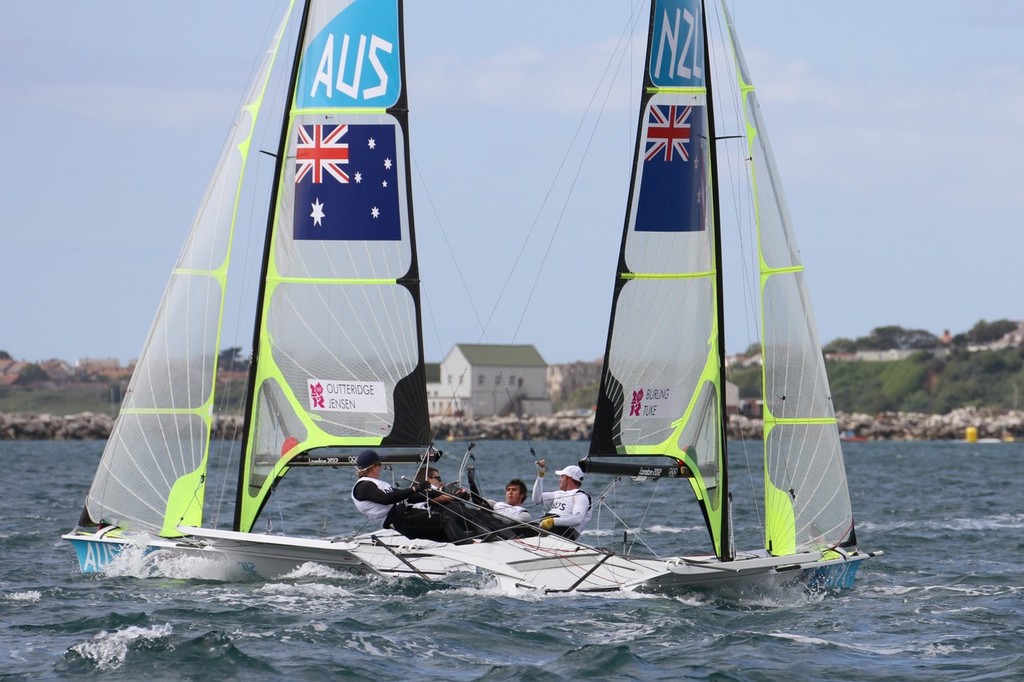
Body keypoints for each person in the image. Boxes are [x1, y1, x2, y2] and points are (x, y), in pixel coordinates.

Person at [350, 450, 473, 543]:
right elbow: (385, 499)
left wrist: (443, 493)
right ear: (373, 467)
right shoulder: (362, 486)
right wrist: (414, 488)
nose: (381, 467)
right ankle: (470, 546)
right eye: (379, 464)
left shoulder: (378, 484)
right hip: (398, 519)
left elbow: (409, 498)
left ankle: (468, 544)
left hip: (404, 516)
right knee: (445, 520)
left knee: (444, 531)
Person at [532, 460, 592, 540]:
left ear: (569, 479)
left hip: (565, 533)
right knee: (522, 527)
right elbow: (536, 499)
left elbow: (578, 519)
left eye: (562, 477)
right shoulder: (558, 493)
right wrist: (540, 475)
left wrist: (552, 521)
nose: (559, 480)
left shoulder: (581, 496)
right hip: (548, 528)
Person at [466, 468, 532, 523]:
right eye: (508, 490)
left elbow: (512, 524)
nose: (510, 492)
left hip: (504, 533)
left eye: (514, 490)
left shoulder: (523, 513)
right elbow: (478, 501)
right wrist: (472, 483)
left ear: (522, 495)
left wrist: (491, 513)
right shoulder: (495, 504)